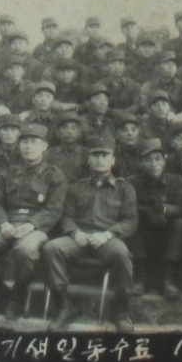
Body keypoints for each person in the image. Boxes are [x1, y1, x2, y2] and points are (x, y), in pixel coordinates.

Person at [0, 123, 68, 322]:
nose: (29, 147)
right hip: (7, 224)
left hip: (35, 227)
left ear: (44, 146)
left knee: (26, 250)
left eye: (34, 142)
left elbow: (54, 209)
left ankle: (18, 293)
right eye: (25, 142)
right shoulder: (8, 173)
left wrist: (30, 225)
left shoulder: (55, 176)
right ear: (19, 146)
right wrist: (3, 223)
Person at [44, 136, 138, 332]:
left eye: (105, 156)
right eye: (95, 155)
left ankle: (120, 310)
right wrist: (75, 232)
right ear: (89, 160)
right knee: (52, 248)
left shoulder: (125, 188)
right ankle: (64, 306)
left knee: (122, 254)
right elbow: (66, 217)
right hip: (79, 238)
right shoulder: (75, 187)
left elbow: (130, 220)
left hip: (107, 239)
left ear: (113, 160)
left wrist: (108, 234)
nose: (99, 160)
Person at [129, 139, 182, 297]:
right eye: (148, 160)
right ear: (141, 163)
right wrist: (147, 212)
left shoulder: (177, 182)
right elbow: (126, 208)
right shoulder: (132, 183)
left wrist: (164, 210)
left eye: (157, 159)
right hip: (143, 237)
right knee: (133, 221)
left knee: (180, 223)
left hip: (169, 235)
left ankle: (168, 278)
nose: (153, 164)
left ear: (164, 161)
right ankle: (140, 277)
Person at [138, 51, 182, 120]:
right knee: (145, 118)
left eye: (173, 64)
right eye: (167, 64)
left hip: (177, 120)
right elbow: (144, 106)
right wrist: (163, 114)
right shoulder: (148, 86)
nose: (171, 67)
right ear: (157, 67)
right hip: (156, 119)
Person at [45, 112, 90, 182]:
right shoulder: (49, 154)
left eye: (74, 128)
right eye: (65, 128)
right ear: (57, 132)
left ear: (79, 132)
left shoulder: (87, 154)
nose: (70, 132)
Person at [111, 111, 142, 178]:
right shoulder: (111, 154)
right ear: (116, 134)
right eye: (125, 130)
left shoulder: (144, 152)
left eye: (133, 129)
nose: (130, 133)